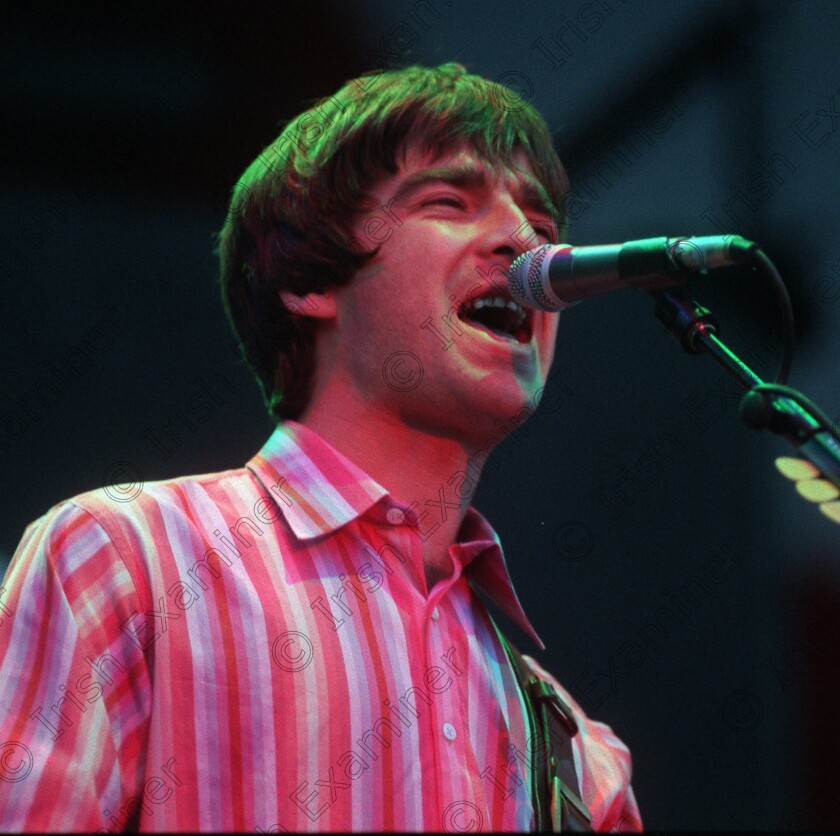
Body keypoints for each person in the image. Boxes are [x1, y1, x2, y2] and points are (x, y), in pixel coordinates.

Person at [0, 63, 641, 832]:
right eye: (448, 201)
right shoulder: (122, 562)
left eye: (542, 226)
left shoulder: (577, 754)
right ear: (309, 278)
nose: (523, 242)